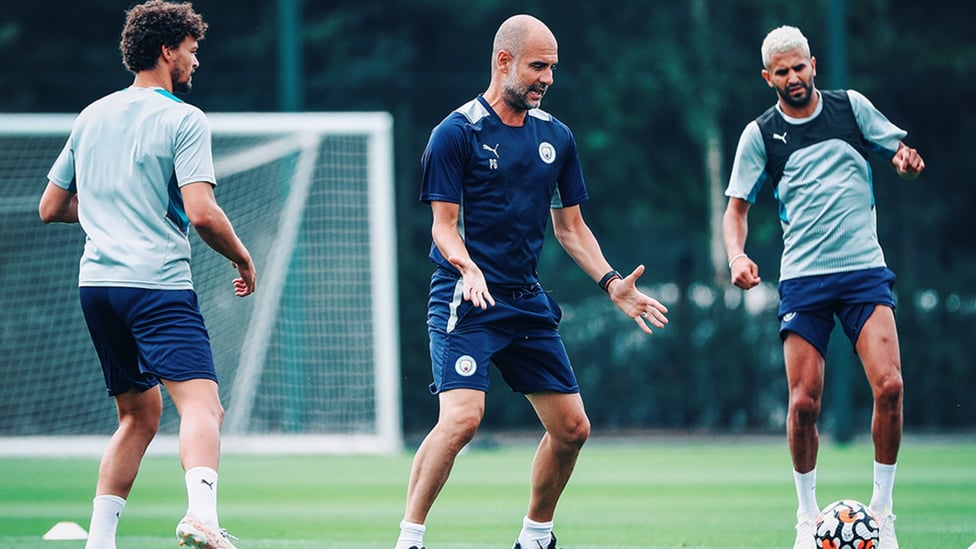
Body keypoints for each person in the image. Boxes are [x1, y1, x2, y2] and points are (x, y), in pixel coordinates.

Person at [394, 14, 669, 549]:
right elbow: (443, 227)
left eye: (553, 68)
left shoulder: (556, 137)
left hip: (525, 303)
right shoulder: (456, 132)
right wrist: (468, 267)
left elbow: (570, 228)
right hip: (465, 300)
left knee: (572, 429)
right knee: (462, 419)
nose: (548, 78)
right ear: (504, 62)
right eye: (539, 66)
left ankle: (535, 537)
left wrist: (613, 283)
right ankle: (409, 538)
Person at [38, 1, 255, 548]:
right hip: (154, 284)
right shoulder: (183, 118)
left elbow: (51, 206)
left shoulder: (91, 115)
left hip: (97, 287)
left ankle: (99, 540)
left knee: (138, 415)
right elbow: (202, 212)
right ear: (167, 51)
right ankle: (202, 515)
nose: (195, 60)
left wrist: (111, 212)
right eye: (191, 49)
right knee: (203, 404)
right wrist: (242, 256)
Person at [722, 25, 924, 549]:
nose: (793, 77)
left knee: (891, 387)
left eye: (799, 67)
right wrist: (737, 255)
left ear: (814, 64)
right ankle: (807, 520)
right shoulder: (760, 135)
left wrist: (904, 161)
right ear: (768, 78)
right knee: (804, 403)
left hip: (862, 271)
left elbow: (898, 151)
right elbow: (736, 211)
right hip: (804, 279)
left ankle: (883, 513)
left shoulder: (850, 109)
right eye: (781, 72)